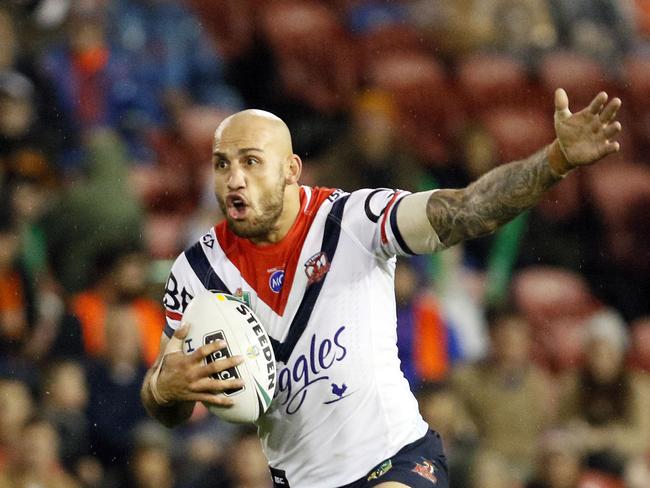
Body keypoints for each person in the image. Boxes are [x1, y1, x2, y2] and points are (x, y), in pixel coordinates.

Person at [141, 88, 622, 488]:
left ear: (291, 169)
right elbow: (164, 401)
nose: (234, 179)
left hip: (396, 461)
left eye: (251, 162)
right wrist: (167, 388)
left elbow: (466, 209)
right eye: (222, 165)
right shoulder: (197, 272)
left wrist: (554, 159)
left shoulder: (353, 221)